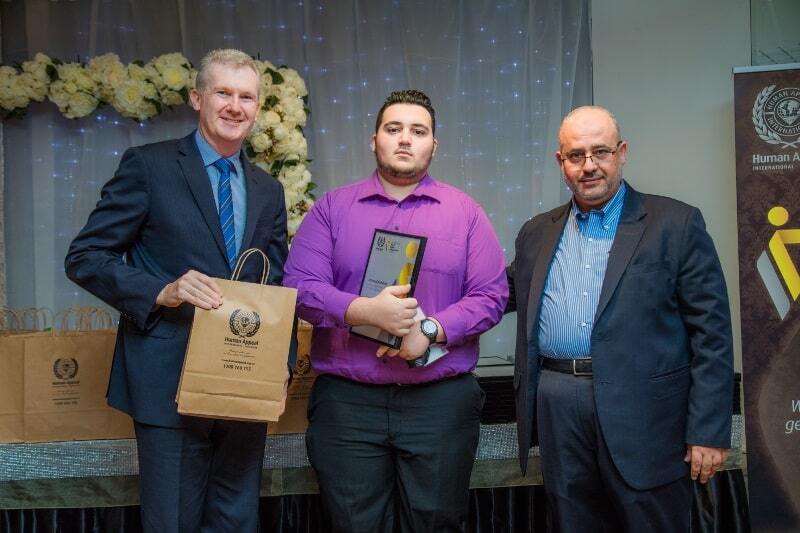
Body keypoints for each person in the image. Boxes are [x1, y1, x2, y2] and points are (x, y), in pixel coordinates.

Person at [64, 49, 290, 532]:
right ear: (197, 98)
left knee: (237, 521)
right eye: (223, 93)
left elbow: (275, 281)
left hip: (244, 382)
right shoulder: (149, 166)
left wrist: (279, 364)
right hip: (167, 381)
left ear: (257, 107)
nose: (235, 107)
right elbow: (85, 256)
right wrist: (161, 290)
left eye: (246, 97)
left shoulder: (268, 189)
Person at [284, 89, 508, 532]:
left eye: (418, 131)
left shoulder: (466, 213)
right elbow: (299, 287)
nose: (405, 138)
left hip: (440, 403)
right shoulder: (331, 209)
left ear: (433, 145)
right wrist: (363, 310)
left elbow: (491, 296)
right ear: (375, 140)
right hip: (348, 406)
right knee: (353, 524)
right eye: (393, 128)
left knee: (437, 523)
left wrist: (430, 329)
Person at [506, 106, 734, 532]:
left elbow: (713, 334)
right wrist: (423, 310)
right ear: (560, 162)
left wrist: (708, 429)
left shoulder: (676, 223)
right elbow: (495, 294)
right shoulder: (536, 232)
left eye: (601, 152)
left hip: (646, 412)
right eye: (576, 155)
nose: (589, 165)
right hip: (559, 405)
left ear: (622, 152)